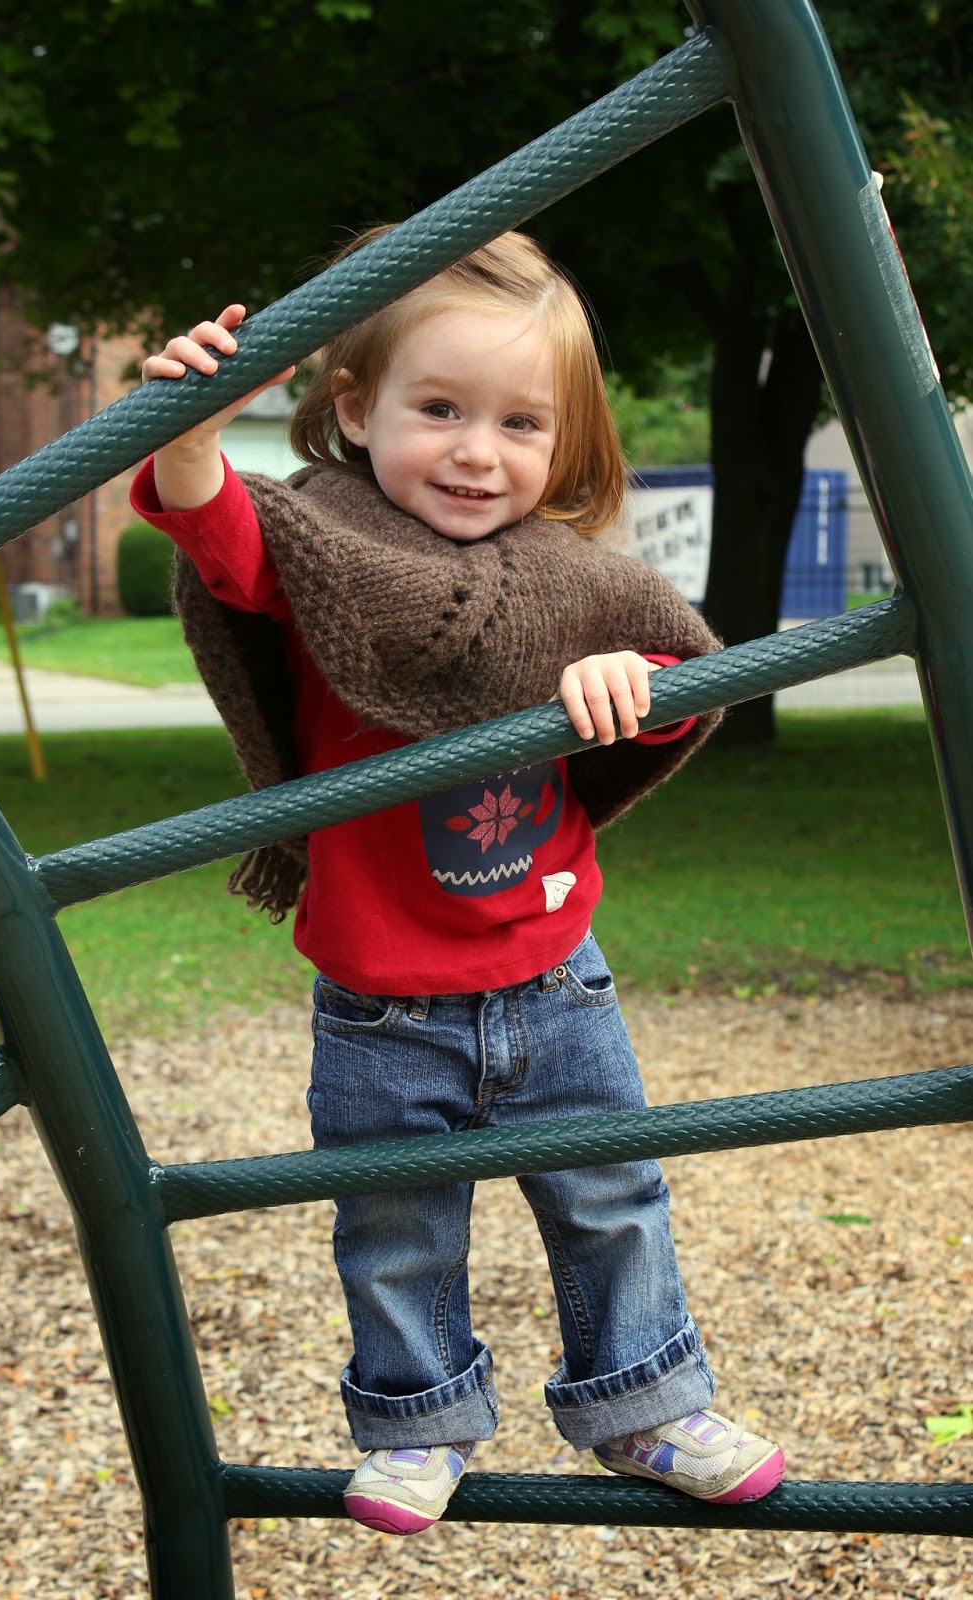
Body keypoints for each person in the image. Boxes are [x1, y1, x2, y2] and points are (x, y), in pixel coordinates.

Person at [132, 227, 785, 1536]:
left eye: (520, 423)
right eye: (439, 410)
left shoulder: (570, 578)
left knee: (612, 1197)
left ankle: (645, 1402)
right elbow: (225, 542)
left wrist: (624, 685)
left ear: (564, 442)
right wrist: (190, 435)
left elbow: (674, 674)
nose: (479, 452)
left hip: (555, 976)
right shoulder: (323, 543)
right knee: (395, 1228)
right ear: (354, 408)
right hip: (381, 1000)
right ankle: (417, 1419)